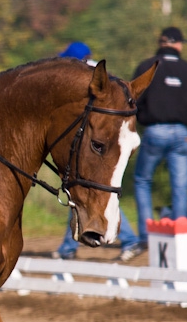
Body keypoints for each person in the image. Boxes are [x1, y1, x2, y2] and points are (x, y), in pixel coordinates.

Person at [52, 42, 143, 261]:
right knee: (84, 196)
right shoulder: (98, 75)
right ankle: (68, 247)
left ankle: (129, 239)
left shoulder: (87, 80)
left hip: (99, 148)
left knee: (98, 195)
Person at [130, 27, 187, 251]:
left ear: (161, 42)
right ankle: (180, 234)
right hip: (182, 133)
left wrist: (145, 117)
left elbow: (132, 100)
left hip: (154, 132)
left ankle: (146, 236)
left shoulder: (146, 68)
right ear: (179, 45)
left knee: (143, 181)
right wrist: (183, 114)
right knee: (180, 185)